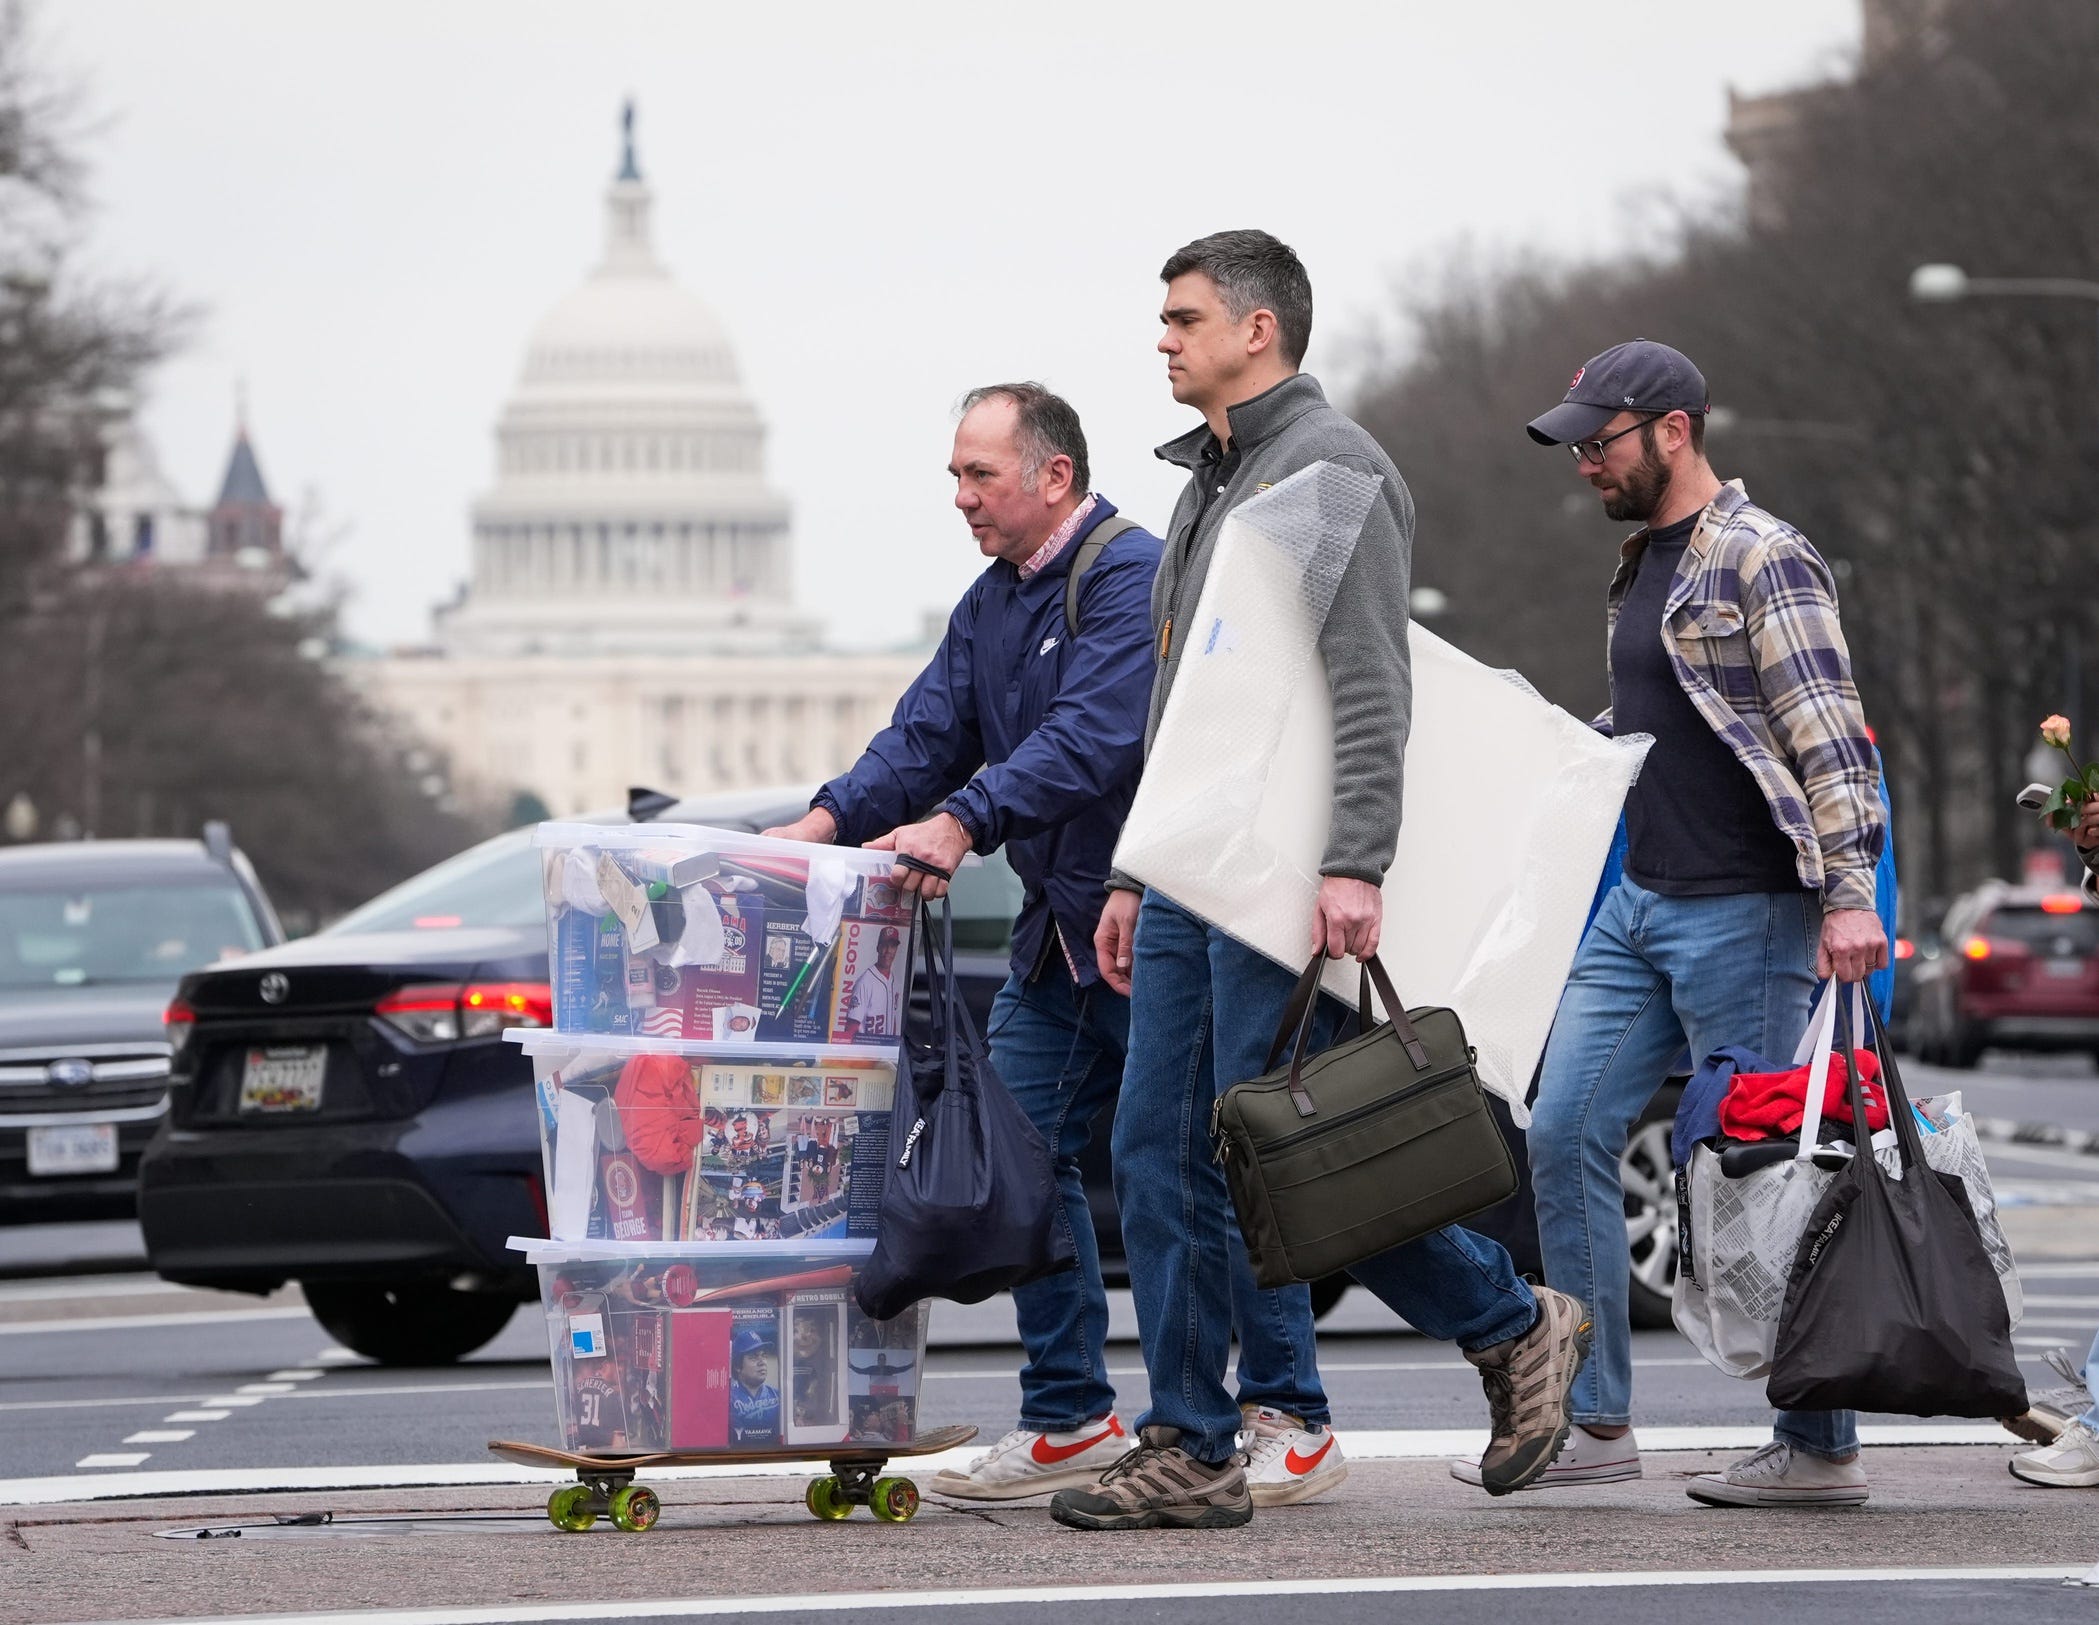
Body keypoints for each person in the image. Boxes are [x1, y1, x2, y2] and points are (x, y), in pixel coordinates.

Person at [1049, 231, 1590, 1534]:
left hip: (1274, 879)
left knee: (1275, 1164)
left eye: (1183, 318)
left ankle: (1510, 1322)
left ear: (1256, 330)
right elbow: (1187, 705)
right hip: (1192, 872)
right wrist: (1133, 873)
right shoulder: (1208, 485)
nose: (1162, 338)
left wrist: (1354, 857)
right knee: (1158, 1153)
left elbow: (1366, 678)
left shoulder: (1326, 467)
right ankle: (1191, 1439)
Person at [764, 383, 1168, 1499]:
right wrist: (822, 820)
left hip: (1157, 924)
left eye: (977, 475)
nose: (958, 497)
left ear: (1052, 477)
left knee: (1196, 1175)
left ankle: (1294, 1404)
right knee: (1020, 1168)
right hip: (1062, 936)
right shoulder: (993, 601)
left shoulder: (1130, 577)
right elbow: (927, 732)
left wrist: (963, 818)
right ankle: (1070, 1415)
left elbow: (1092, 739)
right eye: (954, 474)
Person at [1520, 339, 1889, 1506]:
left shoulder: (1761, 555)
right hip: (1638, 904)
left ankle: (1818, 1441)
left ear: (1672, 428)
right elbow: (1675, 715)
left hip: (1747, 910)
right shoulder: (1642, 563)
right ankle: (1593, 1423)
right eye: (1576, 441)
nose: (1583, 460)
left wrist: (1846, 894)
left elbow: (1829, 737)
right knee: (1559, 1125)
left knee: (1764, 1167)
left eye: (1600, 438)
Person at [836, 926, 902, 1040]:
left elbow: (893, 1018)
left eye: (892, 946)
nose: (888, 951)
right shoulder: (864, 982)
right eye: (884, 945)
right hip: (868, 1052)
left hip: (887, 1052)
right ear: (878, 948)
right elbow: (851, 1028)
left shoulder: (894, 980)